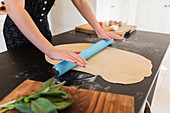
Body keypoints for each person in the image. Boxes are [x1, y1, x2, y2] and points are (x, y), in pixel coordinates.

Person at [4, 0, 124, 67]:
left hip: (43, 28)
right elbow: (15, 8)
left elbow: (80, 1)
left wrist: (99, 31)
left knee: (46, 73)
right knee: (25, 77)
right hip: (18, 34)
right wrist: (49, 49)